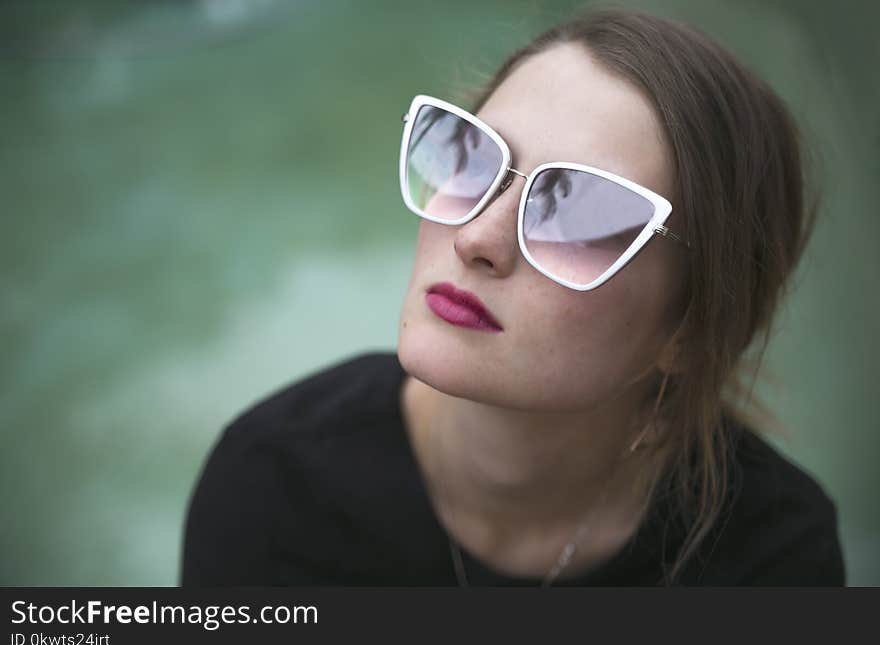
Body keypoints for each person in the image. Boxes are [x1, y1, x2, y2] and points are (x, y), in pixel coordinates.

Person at [181, 7, 845, 586]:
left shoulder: (772, 554)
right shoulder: (273, 485)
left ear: (690, 329)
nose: (478, 236)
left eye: (578, 211)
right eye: (471, 156)